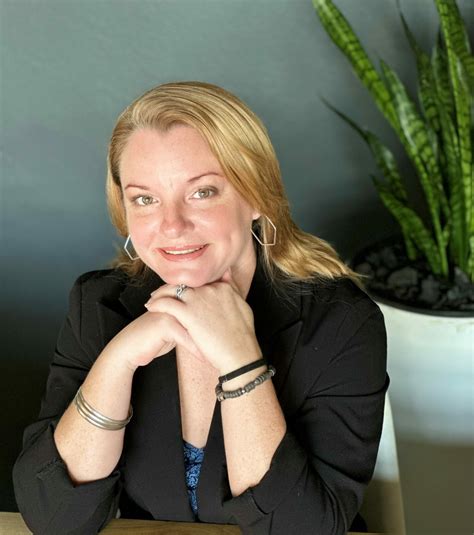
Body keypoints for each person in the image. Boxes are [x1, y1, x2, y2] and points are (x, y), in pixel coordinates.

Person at [13, 81, 389, 535]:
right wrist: (117, 361)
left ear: (257, 195)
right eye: (145, 199)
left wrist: (241, 364)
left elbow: (301, 528)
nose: (171, 225)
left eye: (202, 192)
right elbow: (54, 517)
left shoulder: (342, 322)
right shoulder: (99, 304)